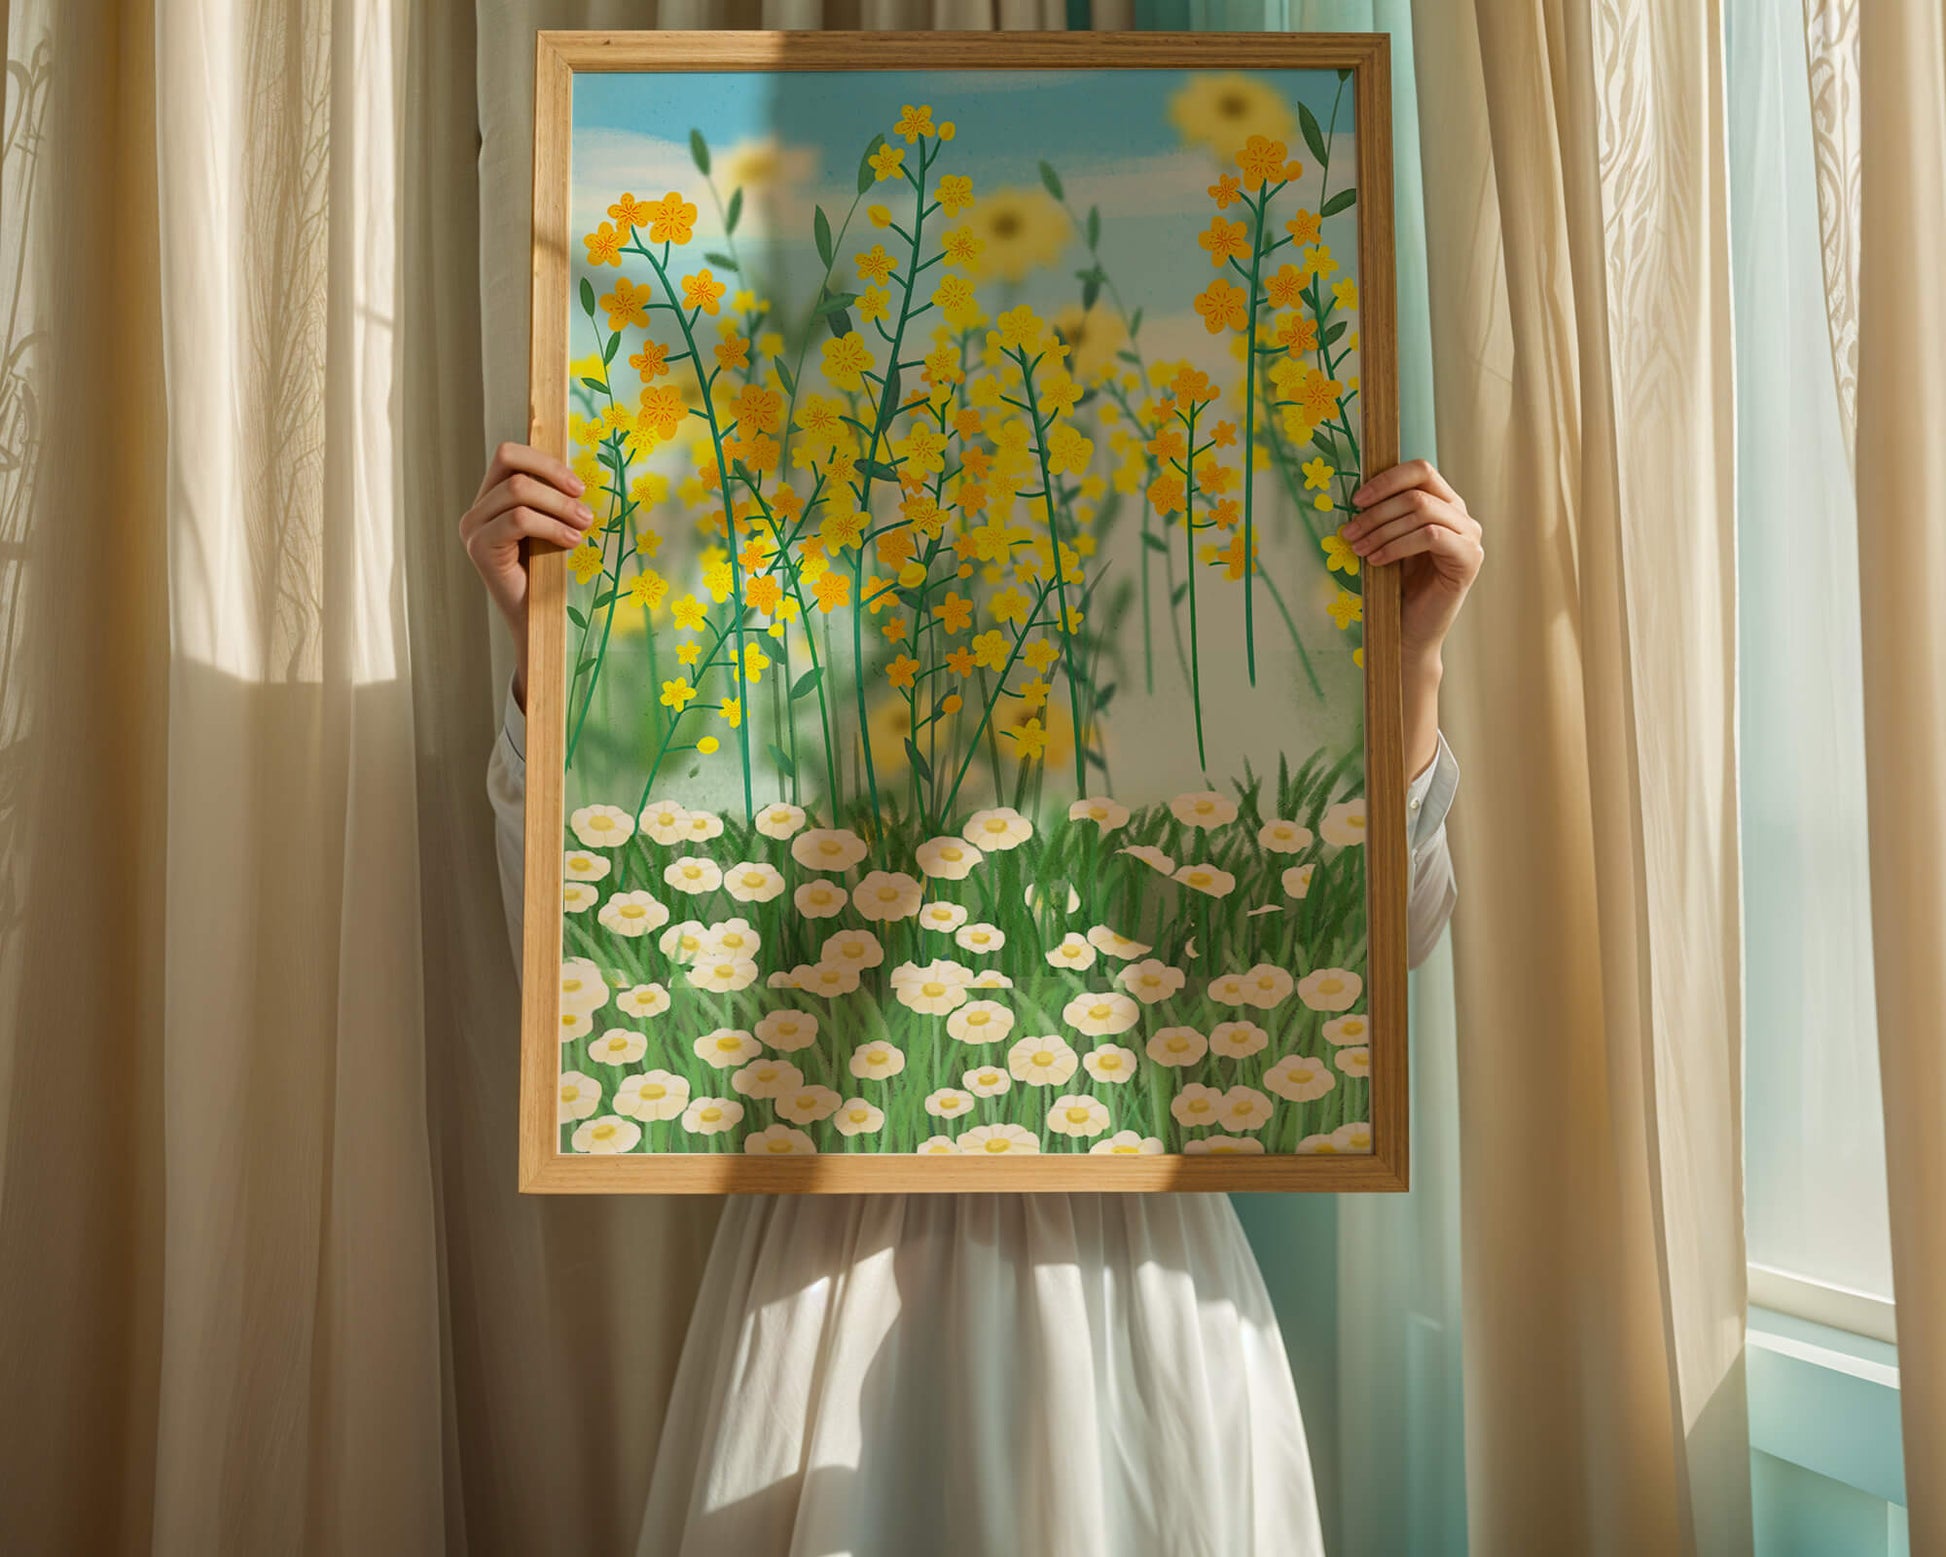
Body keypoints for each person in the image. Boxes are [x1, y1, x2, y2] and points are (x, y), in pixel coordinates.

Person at [464, 443, 1482, 1556]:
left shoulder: (1178, 721)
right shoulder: (782, 706)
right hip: (832, 1262)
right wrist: (555, 646)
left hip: (1130, 1262)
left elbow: (1378, 944)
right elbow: (591, 957)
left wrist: (1407, 661)